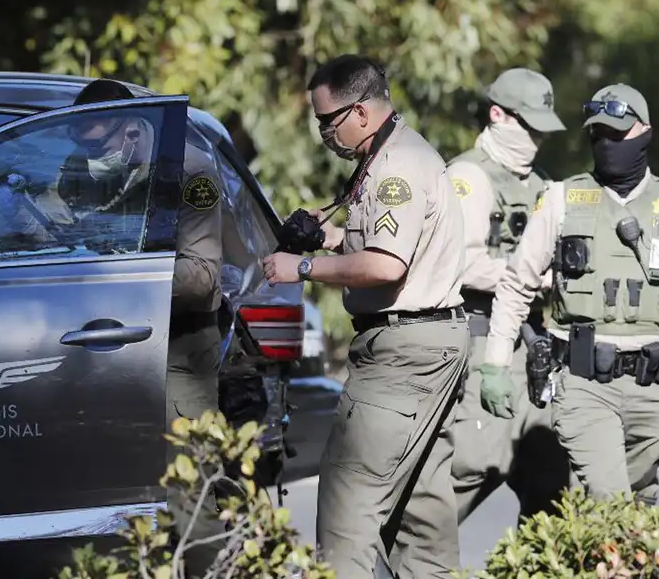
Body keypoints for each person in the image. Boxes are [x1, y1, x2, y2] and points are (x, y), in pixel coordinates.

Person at [476, 83, 659, 505]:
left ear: (645, 132)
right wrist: (494, 365)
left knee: (640, 508)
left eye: (618, 135)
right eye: (599, 136)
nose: (608, 145)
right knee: (609, 502)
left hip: (657, 390)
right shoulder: (562, 199)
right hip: (584, 386)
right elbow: (516, 284)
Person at [262, 54, 470, 579]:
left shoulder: (396, 166)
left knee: (346, 515)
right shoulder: (391, 153)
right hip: (430, 343)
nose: (323, 135)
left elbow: (385, 264)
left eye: (327, 121)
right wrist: (328, 236)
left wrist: (303, 266)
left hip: (403, 355)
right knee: (422, 517)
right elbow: (386, 241)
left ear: (359, 112)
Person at [389, 67, 572, 578]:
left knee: (550, 479)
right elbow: (462, 263)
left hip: (531, 347)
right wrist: (531, 278)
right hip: (478, 338)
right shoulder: (469, 177)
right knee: (472, 465)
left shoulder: (540, 186)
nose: (535, 140)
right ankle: (404, 564)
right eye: (527, 126)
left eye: (541, 130)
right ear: (498, 114)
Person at [48, 79, 226, 574]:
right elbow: (61, 231)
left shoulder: (189, 171)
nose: (90, 155)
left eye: (100, 145)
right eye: (81, 145)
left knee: (192, 490)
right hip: (98, 344)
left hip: (178, 346)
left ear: (132, 131)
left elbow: (201, 277)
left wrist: (119, 266)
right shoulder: (77, 170)